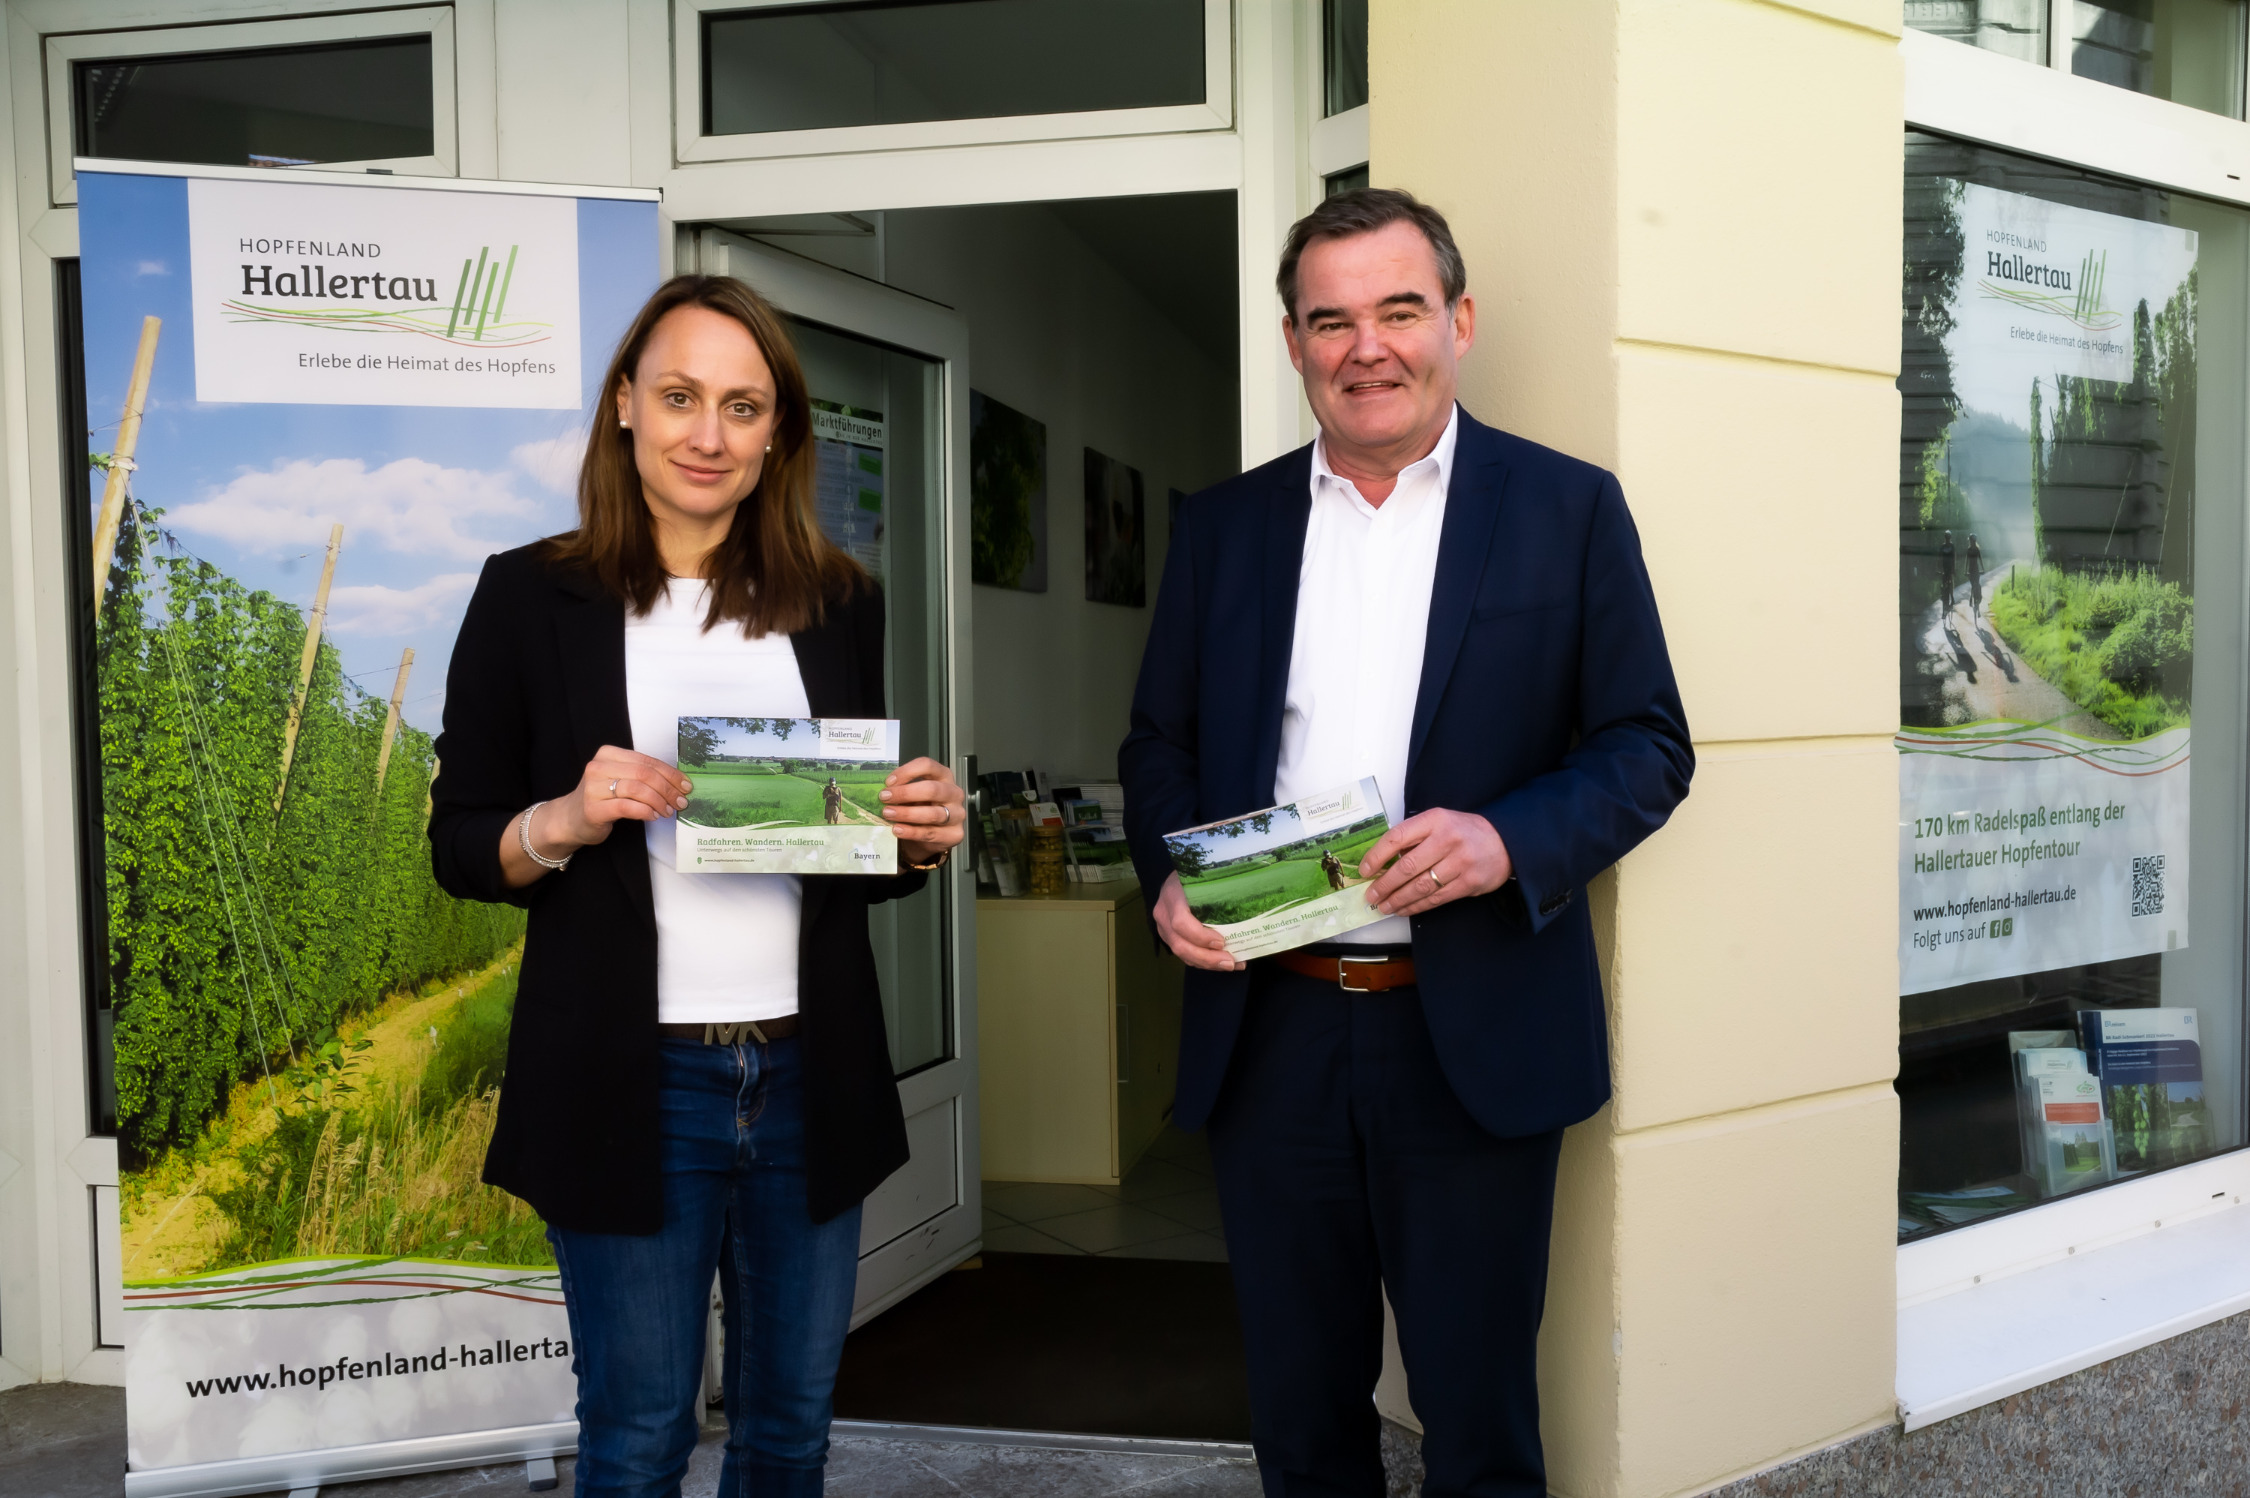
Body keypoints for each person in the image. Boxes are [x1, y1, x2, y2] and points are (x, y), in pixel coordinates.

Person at [1121, 189, 1692, 1496]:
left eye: (1397, 310)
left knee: (1478, 1421)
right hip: (1272, 1028)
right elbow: (1155, 741)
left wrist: (1505, 839)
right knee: (1300, 1413)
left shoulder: (1566, 510)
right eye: (1330, 320)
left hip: (1471, 1032)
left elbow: (1646, 745)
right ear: (1292, 343)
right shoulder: (1222, 528)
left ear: (1459, 319)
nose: (1364, 346)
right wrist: (1170, 878)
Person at [428, 274, 966, 1497]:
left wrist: (916, 836)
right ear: (625, 404)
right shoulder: (529, 594)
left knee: (788, 1434)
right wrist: (564, 817)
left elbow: (845, 856)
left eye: (741, 404)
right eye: (679, 397)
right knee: (635, 1438)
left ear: (779, 430)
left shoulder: (836, 601)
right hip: (631, 1076)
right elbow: (462, 845)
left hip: (806, 1071)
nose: (708, 434)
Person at [1967, 533, 1984, 616]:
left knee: (1977, 585)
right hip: (1971, 570)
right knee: (1973, 586)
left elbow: (1980, 559)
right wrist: (1965, 571)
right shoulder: (1969, 549)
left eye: (1972, 541)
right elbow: (1967, 561)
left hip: (1976, 570)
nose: (1971, 542)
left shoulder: (1977, 549)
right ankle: (1972, 598)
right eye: (1971, 541)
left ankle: (1978, 607)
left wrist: (1983, 569)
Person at [1940, 530, 1957, 617]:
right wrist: (1938, 568)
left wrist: (1954, 569)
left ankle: (1952, 598)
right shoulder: (1942, 546)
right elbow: (1940, 558)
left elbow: (1954, 558)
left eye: (1948, 537)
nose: (1947, 539)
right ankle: (1943, 597)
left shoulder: (1952, 546)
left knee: (1950, 583)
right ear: (1945, 537)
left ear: (1949, 538)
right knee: (1943, 584)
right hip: (1944, 568)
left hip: (1950, 568)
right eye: (1946, 537)